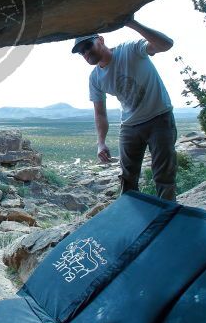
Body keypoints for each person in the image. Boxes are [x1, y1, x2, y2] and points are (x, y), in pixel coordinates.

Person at [72, 17, 177, 200]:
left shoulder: (131, 50)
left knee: (164, 177)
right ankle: (132, 220)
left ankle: (168, 219)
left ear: (101, 40)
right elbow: (100, 113)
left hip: (159, 118)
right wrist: (101, 143)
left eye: (88, 46)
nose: (85, 53)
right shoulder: (95, 78)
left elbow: (166, 44)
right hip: (130, 126)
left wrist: (131, 23)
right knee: (127, 179)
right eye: (81, 52)